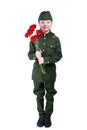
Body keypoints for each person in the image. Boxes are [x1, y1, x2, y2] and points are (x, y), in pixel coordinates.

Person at [28, 11, 62, 127]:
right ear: (39, 23)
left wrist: (45, 59)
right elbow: (29, 54)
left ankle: (48, 116)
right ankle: (41, 116)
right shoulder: (34, 39)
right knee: (39, 95)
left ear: (51, 23)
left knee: (50, 95)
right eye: (42, 22)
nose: (45, 24)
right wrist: (35, 56)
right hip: (37, 73)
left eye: (48, 22)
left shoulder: (55, 39)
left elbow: (58, 55)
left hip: (50, 73)